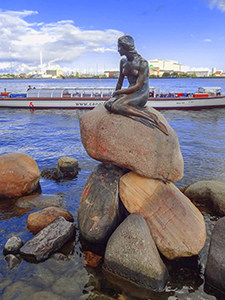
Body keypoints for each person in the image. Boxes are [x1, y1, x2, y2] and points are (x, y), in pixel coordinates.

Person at [104, 35, 168, 136]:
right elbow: (120, 81)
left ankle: (152, 119)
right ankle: (136, 111)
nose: (118, 50)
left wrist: (119, 92)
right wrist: (115, 94)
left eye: (119, 47)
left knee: (117, 106)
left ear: (126, 47)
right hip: (130, 92)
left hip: (140, 93)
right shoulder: (123, 62)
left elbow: (138, 86)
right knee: (108, 105)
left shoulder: (142, 63)